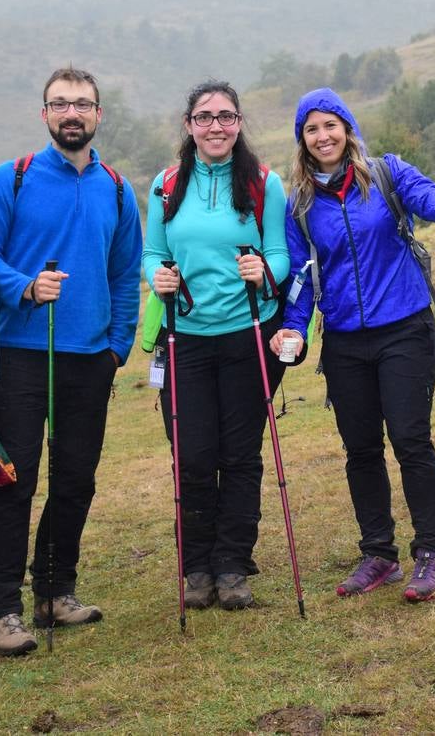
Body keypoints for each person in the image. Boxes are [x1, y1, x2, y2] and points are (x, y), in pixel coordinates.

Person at [271, 88, 435, 602]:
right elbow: (301, 274)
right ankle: (379, 554)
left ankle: (432, 555)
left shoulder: (386, 172)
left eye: (331, 125)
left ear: (347, 127)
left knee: (411, 441)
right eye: (311, 129)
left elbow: (426, 197)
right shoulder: (301, 203)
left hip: (403, 329)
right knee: (361, 449)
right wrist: (294, 327)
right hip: (344, 340)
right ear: (302, 140)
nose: (323, 136)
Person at [0, 67, 142, 654]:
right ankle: (0, 608)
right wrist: (23, 286)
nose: (73, 114)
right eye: (61, 104)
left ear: (99, 115)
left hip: (88, 360)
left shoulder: (118, 190)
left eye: (84, 105)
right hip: (19, 355)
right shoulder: (10, 180)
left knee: (75, 481)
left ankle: (53, 591)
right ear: (43, 113)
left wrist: (118, 346)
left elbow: (126, 275)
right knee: (13, 484)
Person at [142, 80, 290, 611]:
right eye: (205, 117)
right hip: (186, 340)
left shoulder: (263, 183)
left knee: (241, 455)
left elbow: (280, 252)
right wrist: (157, 277)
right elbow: (152, 253)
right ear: (189, 126)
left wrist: (264, 269)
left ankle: (232, 566)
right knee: (194, 455)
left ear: (239, 123)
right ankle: (196, 567)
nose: (216, 126)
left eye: (226, 116)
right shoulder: (165, 185)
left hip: (248, 334)